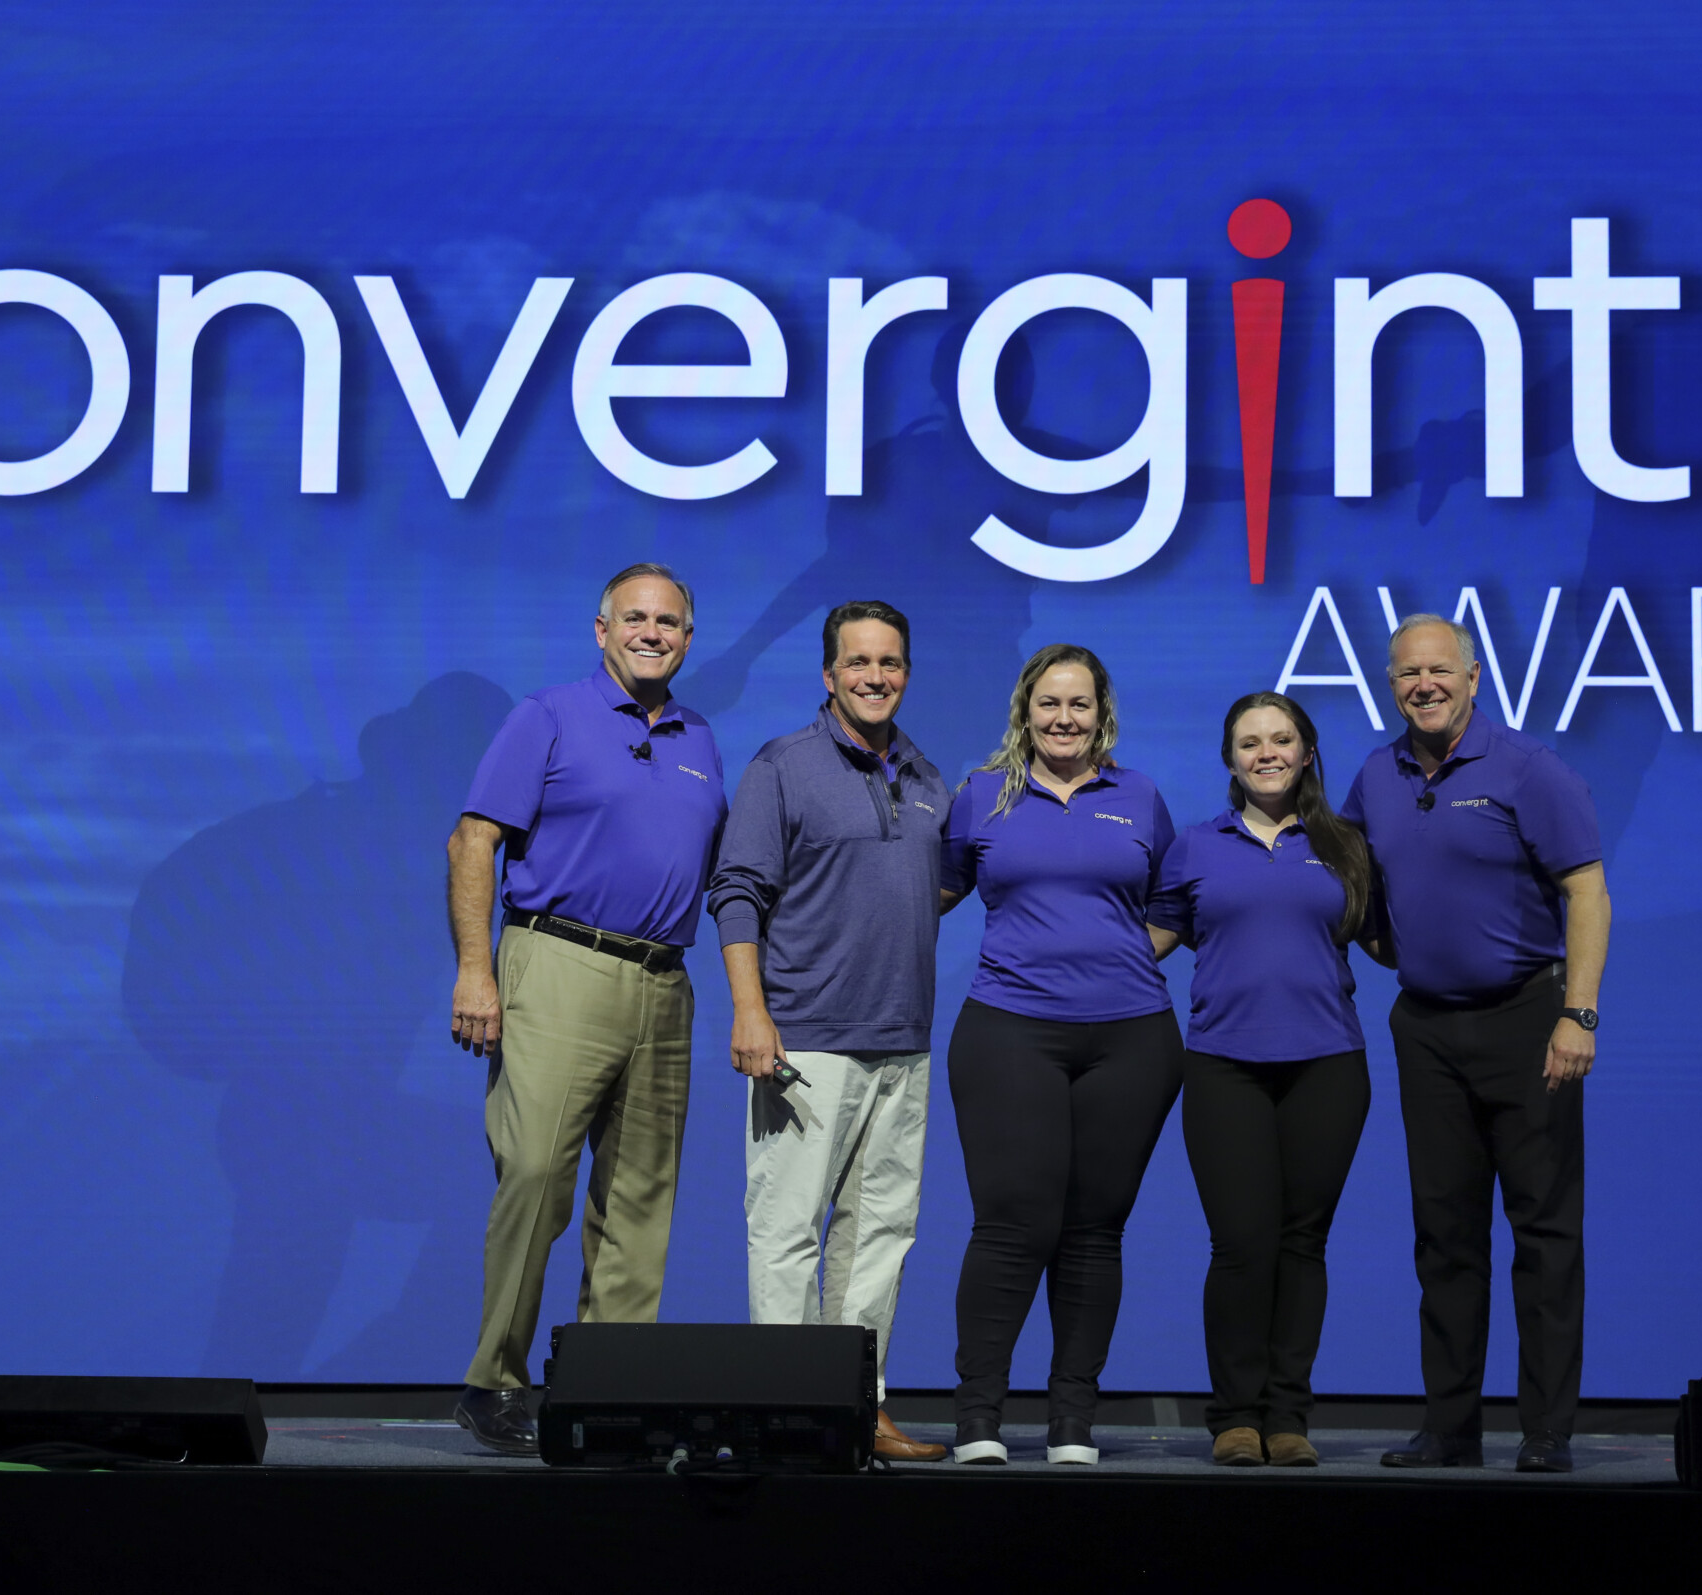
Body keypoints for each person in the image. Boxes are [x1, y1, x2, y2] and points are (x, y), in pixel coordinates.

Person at [445, 564, 728, 1456]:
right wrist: (475, 970)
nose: (652, 632)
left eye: (669, 621)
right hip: (559, 960)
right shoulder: (548, 715)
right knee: (535, 1171)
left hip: (665, 981)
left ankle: (607, 1386)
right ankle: (494, 1380)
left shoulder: (699, 736)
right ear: (601, 629)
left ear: (689, 638)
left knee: (640, 1197)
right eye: (635, 617)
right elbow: (473, 839)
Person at [1343, 614, 1607, 1475]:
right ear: (1391, 685)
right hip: (1426, 1029)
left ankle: (1547, 1431)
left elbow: (1587, 891)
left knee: (1544, 1231)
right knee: (1444, 1236)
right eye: (1407, 674)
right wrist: (1392, 945)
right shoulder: (1376, 774)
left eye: (1439, 670)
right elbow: (1350, 878)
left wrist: (1579, 1013)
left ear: (1473, 676)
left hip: (1528, 1022)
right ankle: (1450, 1428)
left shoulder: (1530, 768)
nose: (1423, 685)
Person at [709, 600, 954, 1464]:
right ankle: (786, 1414)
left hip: (904, 1041)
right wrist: (751, 1010)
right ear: (828, 674)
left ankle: (858, 1409)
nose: (874, 676)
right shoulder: (783, 765)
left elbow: (930, 884)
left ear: (906, 673)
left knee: (879, 1236)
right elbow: (736, 891)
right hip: (804, 1040)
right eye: (858, 662)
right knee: (786, 1233)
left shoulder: (927, 777)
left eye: (889, 662)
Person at [936, 643, 1182, 1467]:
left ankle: (1072, 1420)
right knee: (1012, 1225)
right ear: (1025, 709)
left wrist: (1114, 959)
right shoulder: (982, 795)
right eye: (1049, 702)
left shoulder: (1139, 796)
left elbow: (1172, 903)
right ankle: (978, 1416)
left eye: (1079, 703)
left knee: (1093, 1231)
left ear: (1101, 712)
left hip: (1132, 1038)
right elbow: (931, 891)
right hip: (1009, 1030)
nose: (1064, 717)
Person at [1146, 691, 1379, 1469]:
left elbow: (1392, 937)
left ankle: (1288, 1415)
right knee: (1241, 1245)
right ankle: (1235, 1417)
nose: (1266, 753)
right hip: (1224, 1066)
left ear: (1307, 752)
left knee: (1302, 1244)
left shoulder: (1346, 844)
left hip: (1328, 1066)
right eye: (1250, 742)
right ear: (1230, 757)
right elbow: (1148, 941)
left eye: (1281, 739)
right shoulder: (1193, 847)